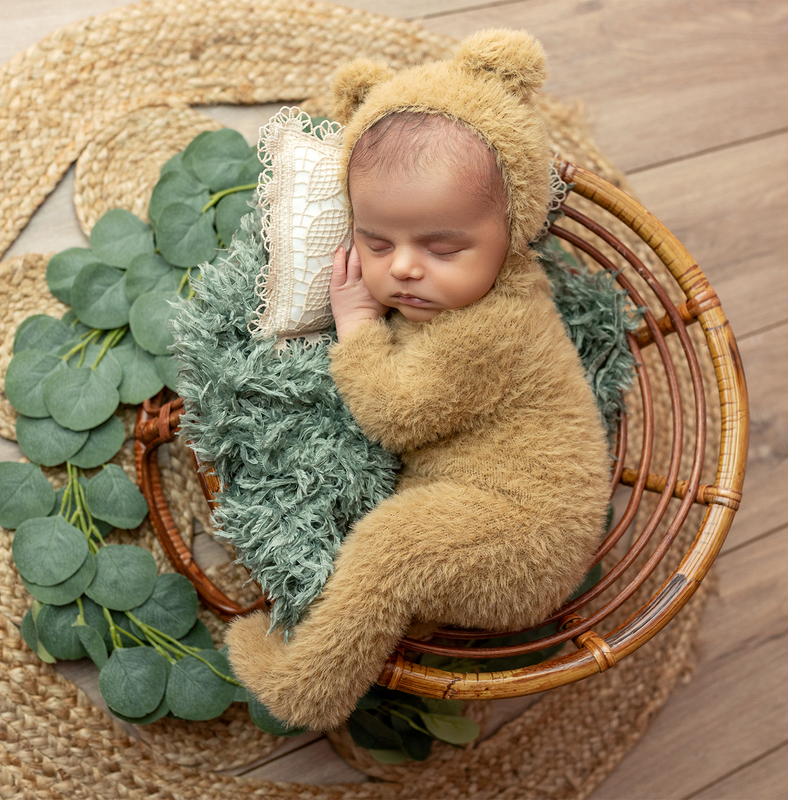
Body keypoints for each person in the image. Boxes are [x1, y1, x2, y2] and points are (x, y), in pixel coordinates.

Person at [227, 29, 612, 731]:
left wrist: (358, 327)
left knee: (391, 548)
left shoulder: (492, 327)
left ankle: (306, 689)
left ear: (515, 226)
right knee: (390, 533)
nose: (404, 269)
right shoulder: (460, 291)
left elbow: (395, 414)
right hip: (478, 508)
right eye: (377, 243)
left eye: (442, 247)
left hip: (524, 534)